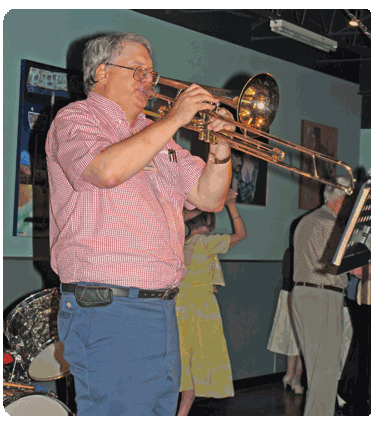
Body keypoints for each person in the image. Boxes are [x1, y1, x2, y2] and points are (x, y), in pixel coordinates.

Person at [45, 32, 235, 416]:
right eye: (138, 71)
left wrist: (221, 145)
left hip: (160, 306)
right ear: (101, 72)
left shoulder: (155, 137)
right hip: (110, 306)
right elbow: (105, 171)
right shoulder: (76, 119)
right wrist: (176, 117)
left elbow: (210, 197)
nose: (149, 82)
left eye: (151, 73)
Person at [291, 176, 362, 416]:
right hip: (322, 297)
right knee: (326, 371)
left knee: (317, 369)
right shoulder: (332, 225)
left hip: (302, 294)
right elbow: (355, 269)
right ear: (341, 199)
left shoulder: (306, 220)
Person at [176, 189, 247, 416]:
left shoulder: (183, 243)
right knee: (199, 361)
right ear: (208, 222)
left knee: (184, 361)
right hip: (200, 308)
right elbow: (241, 235)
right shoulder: (205, 243)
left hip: (180, 307)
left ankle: (180, 412)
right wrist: (231, 206)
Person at [267, 247, 304, 394]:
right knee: (297, 339)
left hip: (292, 294)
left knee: (296, 340)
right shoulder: (295, 251)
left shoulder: (291, 251)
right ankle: (294, 377)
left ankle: (292, 376)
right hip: (294, 295)